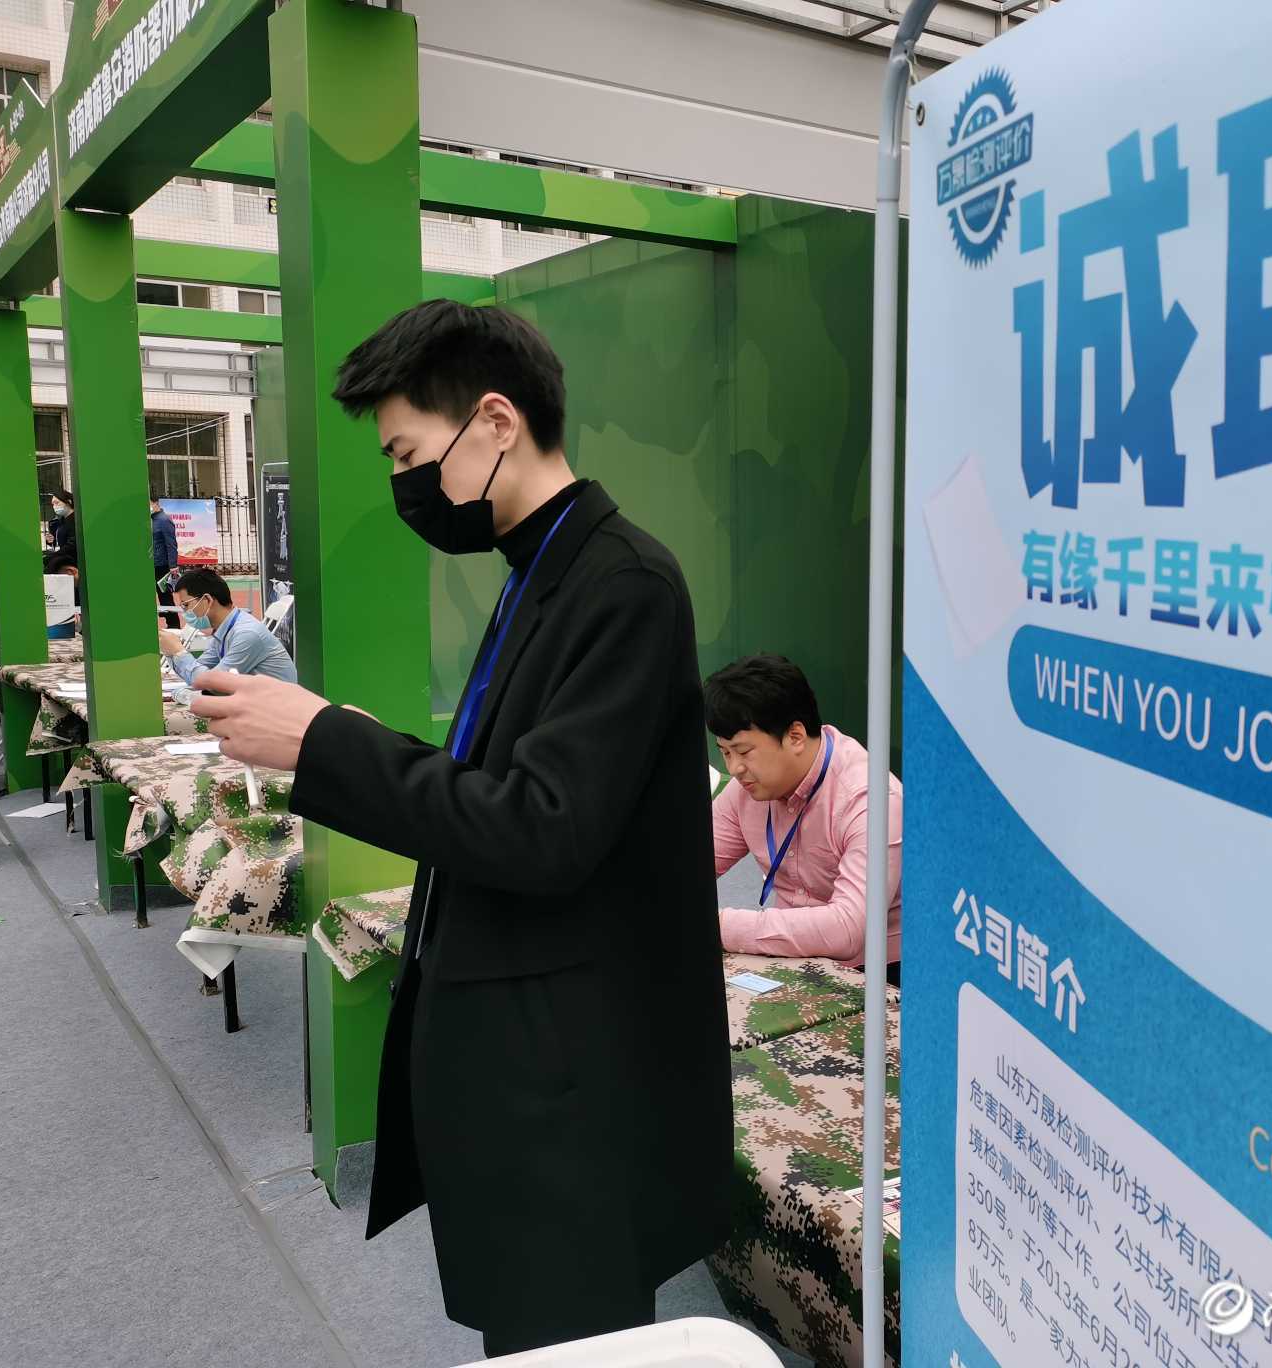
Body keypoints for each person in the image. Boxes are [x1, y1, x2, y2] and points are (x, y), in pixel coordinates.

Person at [187, 300, 731, 1356]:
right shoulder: (545, 573)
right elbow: (505, 790)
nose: (407, 486)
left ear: (495, 421)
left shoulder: (623, 584)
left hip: (572, 1089)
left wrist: (324, 744)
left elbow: (541, 830)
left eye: (408, 454)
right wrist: (340, 737)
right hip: (527, 1068)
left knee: (566, 1341)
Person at [706, 654, 904, 978]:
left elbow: (847, 929)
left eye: (743, 751)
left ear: (795, 736)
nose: (734, 768)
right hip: (787, 959)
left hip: (879, 974)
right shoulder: (747, 789)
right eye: (725, 752)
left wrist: (719, 926)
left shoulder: (870, 799)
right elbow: (684, 868)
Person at [157, 567, 296, 685]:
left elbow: (214, 684)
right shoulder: (224, 630)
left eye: (186, 605)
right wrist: (170, 651)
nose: (184, 612)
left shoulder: (247, 634)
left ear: (207, 600)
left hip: (275, 706)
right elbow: (195, 675)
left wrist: (179, 651)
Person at [150, 491, 178, 605]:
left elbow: (171, 544)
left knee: (165, 596)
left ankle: (171, 617)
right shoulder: (149, 520)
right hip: (151, 563)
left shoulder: (164, 520)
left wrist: (173, 566)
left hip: (162, 565)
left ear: (156, 503)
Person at [44, 489, 76, 571]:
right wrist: (51, 540)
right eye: (53, 504)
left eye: (57, 503)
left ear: (69, 502)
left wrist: (52, 556)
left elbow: (72, 545)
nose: (54, 506)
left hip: (72, 560)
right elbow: (60, 541)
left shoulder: (75, 520)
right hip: (63, 557)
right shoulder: (60, 521)